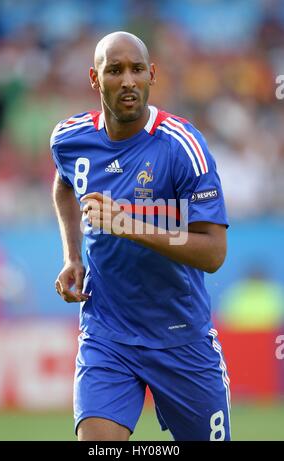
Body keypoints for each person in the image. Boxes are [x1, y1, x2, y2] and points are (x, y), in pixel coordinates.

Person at [51, 31, 230, 441]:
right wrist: (72, 256)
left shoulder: (183, 146)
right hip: (107, 334)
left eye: (136, 70)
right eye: (114, 70)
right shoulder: (69, 139)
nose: (127, 80)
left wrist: (127, 224)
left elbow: (214, 252)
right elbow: (62, 183)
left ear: (151, 76)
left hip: (181, 338)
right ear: (95, 79)